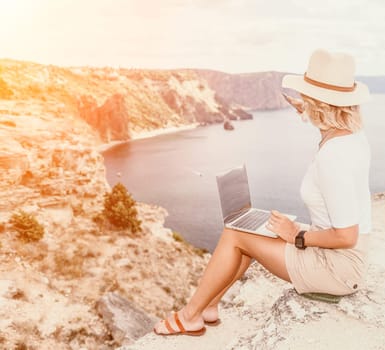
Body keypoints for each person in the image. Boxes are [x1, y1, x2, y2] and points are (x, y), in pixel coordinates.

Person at [153, 48, 372, 336]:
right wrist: (309, 112)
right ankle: (210, 306)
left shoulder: (334, 156)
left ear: (320, 104)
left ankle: (190, 315)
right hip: (345, 258)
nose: (301, 103)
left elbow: (346, 236)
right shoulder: (351, 138)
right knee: (257, 230)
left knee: (236, 234)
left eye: (307, 98)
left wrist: (297, 236)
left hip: (336, 269)